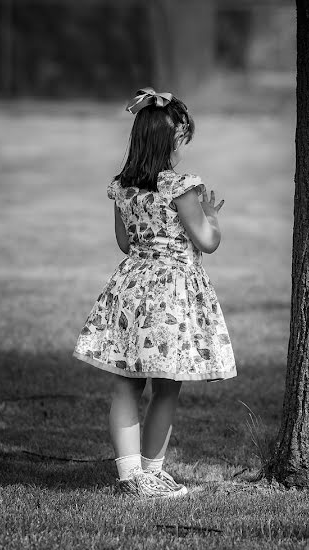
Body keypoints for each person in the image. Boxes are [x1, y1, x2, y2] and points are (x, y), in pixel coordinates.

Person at [73, 87, 237, 499]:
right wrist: (212, 218)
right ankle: (149, 471)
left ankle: (134, 475)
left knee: (128, 381)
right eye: (183, 139)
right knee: (167, 384)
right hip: (171, 294)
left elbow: (125, 243)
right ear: (169, 142)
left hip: (132, 287)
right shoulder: (182, 188)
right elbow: (207, 241)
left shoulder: (123, 188)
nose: (184, 147)